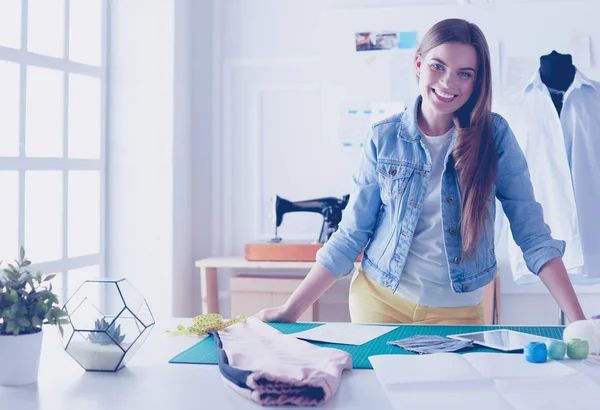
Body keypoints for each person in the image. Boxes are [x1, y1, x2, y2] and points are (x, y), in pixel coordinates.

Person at [256, 18, 586, 325]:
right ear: (419, 65)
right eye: (437, 66)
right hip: (379, 301)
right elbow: (351, 234)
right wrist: (290, 310)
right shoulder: (383, 138)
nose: (448, 82)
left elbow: (532, 234)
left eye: (464, 73)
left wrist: (578, 321)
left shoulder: (495, 137)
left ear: (476, 80)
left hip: (459, 312)